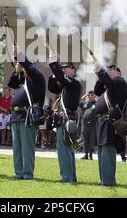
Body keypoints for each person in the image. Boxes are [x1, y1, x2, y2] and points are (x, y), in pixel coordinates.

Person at [7, 45, 45, 180]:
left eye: (25, 67)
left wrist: (19, 55)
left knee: (27, 148)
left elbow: (30, 68)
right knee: (17, 147)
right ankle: (19, 173)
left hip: (27, 116)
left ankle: (27, 173)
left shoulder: (37, 79)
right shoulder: (21, 81)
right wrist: (16, 71)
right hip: (16, 116)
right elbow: (10, 83)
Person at [93, 64, 127, 186]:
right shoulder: (109, 87)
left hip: (110, 122)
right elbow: (97, 90)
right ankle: (103, 179)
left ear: (117, 73)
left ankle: (108, 181)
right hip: (102, 121)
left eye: (111, 71)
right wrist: (100, 75)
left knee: (108, 152)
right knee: (101, 152)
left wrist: (101, 72)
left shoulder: (120, 82)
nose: (109, 73)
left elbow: (110, 83)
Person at [48, 52, 81, 184]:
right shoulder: (67, 83)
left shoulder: (73, 82)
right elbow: (52, 86)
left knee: (64, 150)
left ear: (73, 70)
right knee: (68, 149)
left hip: (66, 118)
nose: (64, 70)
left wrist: (53, 62)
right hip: (66, 118)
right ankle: (71, 176)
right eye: (63, 68)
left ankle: (67, 177)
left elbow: (61, 78)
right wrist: (56, 70)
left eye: (66, 67)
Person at [79, 91, 97, 160]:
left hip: (93, 124)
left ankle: (90, 155)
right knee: (85, 140)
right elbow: (78, 102)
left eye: (92, 95)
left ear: (94, 96)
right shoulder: (85, 104)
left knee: (91, 140)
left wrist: (96, 97)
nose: (90, 96)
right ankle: (85, 154)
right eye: (89, 95)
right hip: (85, 124)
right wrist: (85, 95)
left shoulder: (96, 104)